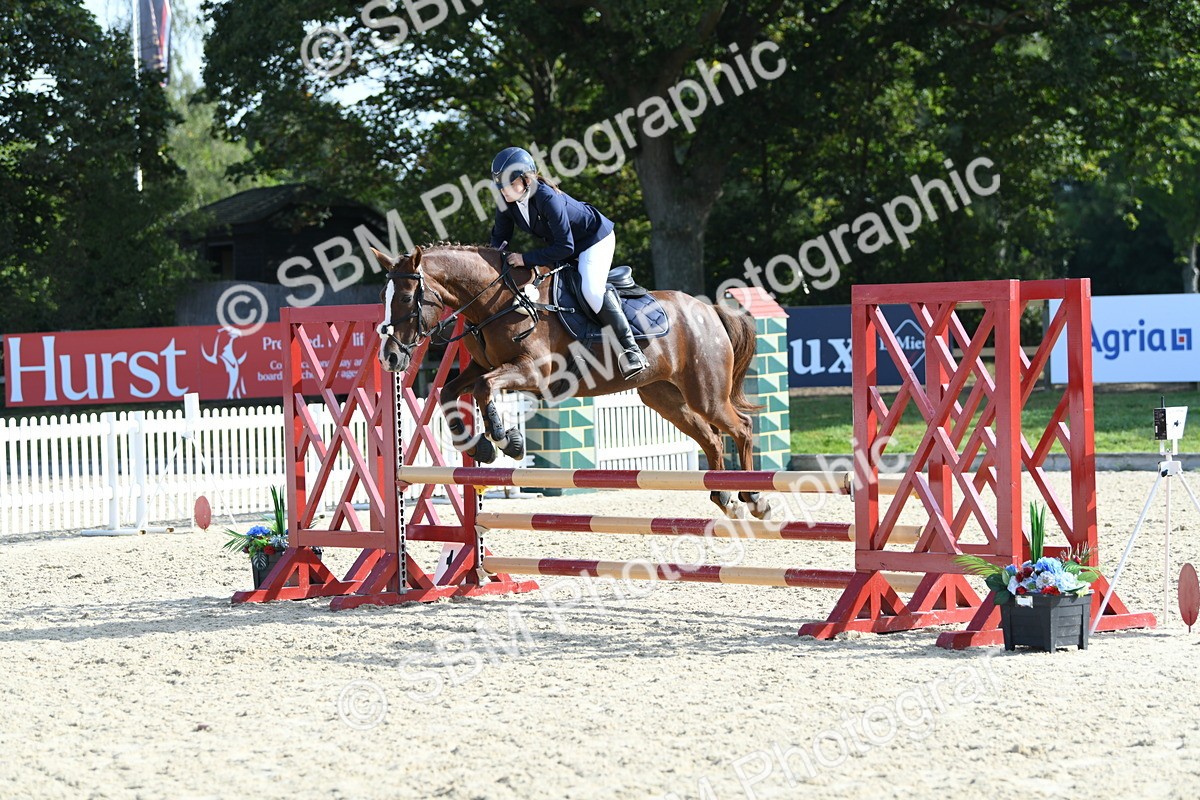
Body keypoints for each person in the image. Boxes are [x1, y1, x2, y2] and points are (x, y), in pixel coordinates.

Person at [488, 146, 649, 379]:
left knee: (591, 291)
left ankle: (631, 350)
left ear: (526, 180)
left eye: (510, 184)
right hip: (563, 245)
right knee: (552, 291)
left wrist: (524, 258)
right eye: (500, 186)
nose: (504, 191)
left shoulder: (547, 198)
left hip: (594, 240)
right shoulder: (506, 201)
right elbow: (499, 239)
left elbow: (566, 247)